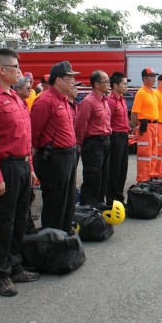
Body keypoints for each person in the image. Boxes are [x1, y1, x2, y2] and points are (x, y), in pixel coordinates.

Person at [0, 48, 40, 297]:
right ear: (2, 69)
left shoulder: (15, 97)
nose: (20, 71)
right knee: (1, 223)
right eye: (16, 67)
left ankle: (14, 265)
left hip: (22, 166)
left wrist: (31, 168)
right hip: (4, 167)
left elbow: (25, 137)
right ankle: (0, 274)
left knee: (19, 220)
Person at [30, 61, 79, 232]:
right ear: (58, 80)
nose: (73, 81)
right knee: (55, 203)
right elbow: (34, 132)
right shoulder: (45, 100)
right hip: (54, 158)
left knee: (68, 201)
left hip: (69, 155)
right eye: (70, 78)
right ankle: (52, 241)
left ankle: (64, 237)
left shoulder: (64, 99)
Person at [75, 70, 112, 207]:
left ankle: (99, 204)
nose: (109, 84)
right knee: (93, 177)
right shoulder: (88, 102)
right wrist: (80, 144)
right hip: (93, 143)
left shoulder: (104, 100)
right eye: (106, 82)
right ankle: (88, 207)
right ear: (96, 84)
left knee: (104, 175)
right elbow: (80, 125)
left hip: (105, 141)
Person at [130, 67, 159, 183]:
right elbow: (134, 113)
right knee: (144, 154)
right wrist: (136, 127)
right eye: (151, 77)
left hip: (153, 126)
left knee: (152, 153)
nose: (154, 79)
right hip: (145, 127)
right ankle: (142, 179)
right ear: (144, 79)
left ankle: (150, 176)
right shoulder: (141, 93)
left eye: (154, 77)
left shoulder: (152, 92)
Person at [107, 72, 130, 204]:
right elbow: (107, 121)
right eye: (124, 84)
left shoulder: (122, 99)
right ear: (115, 85)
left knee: (122, 170)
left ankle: (119, 198)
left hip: (123, 136)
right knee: (114, 170)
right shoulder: (110, 101)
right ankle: (111, 200)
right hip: (115, 137)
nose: (126, 86)